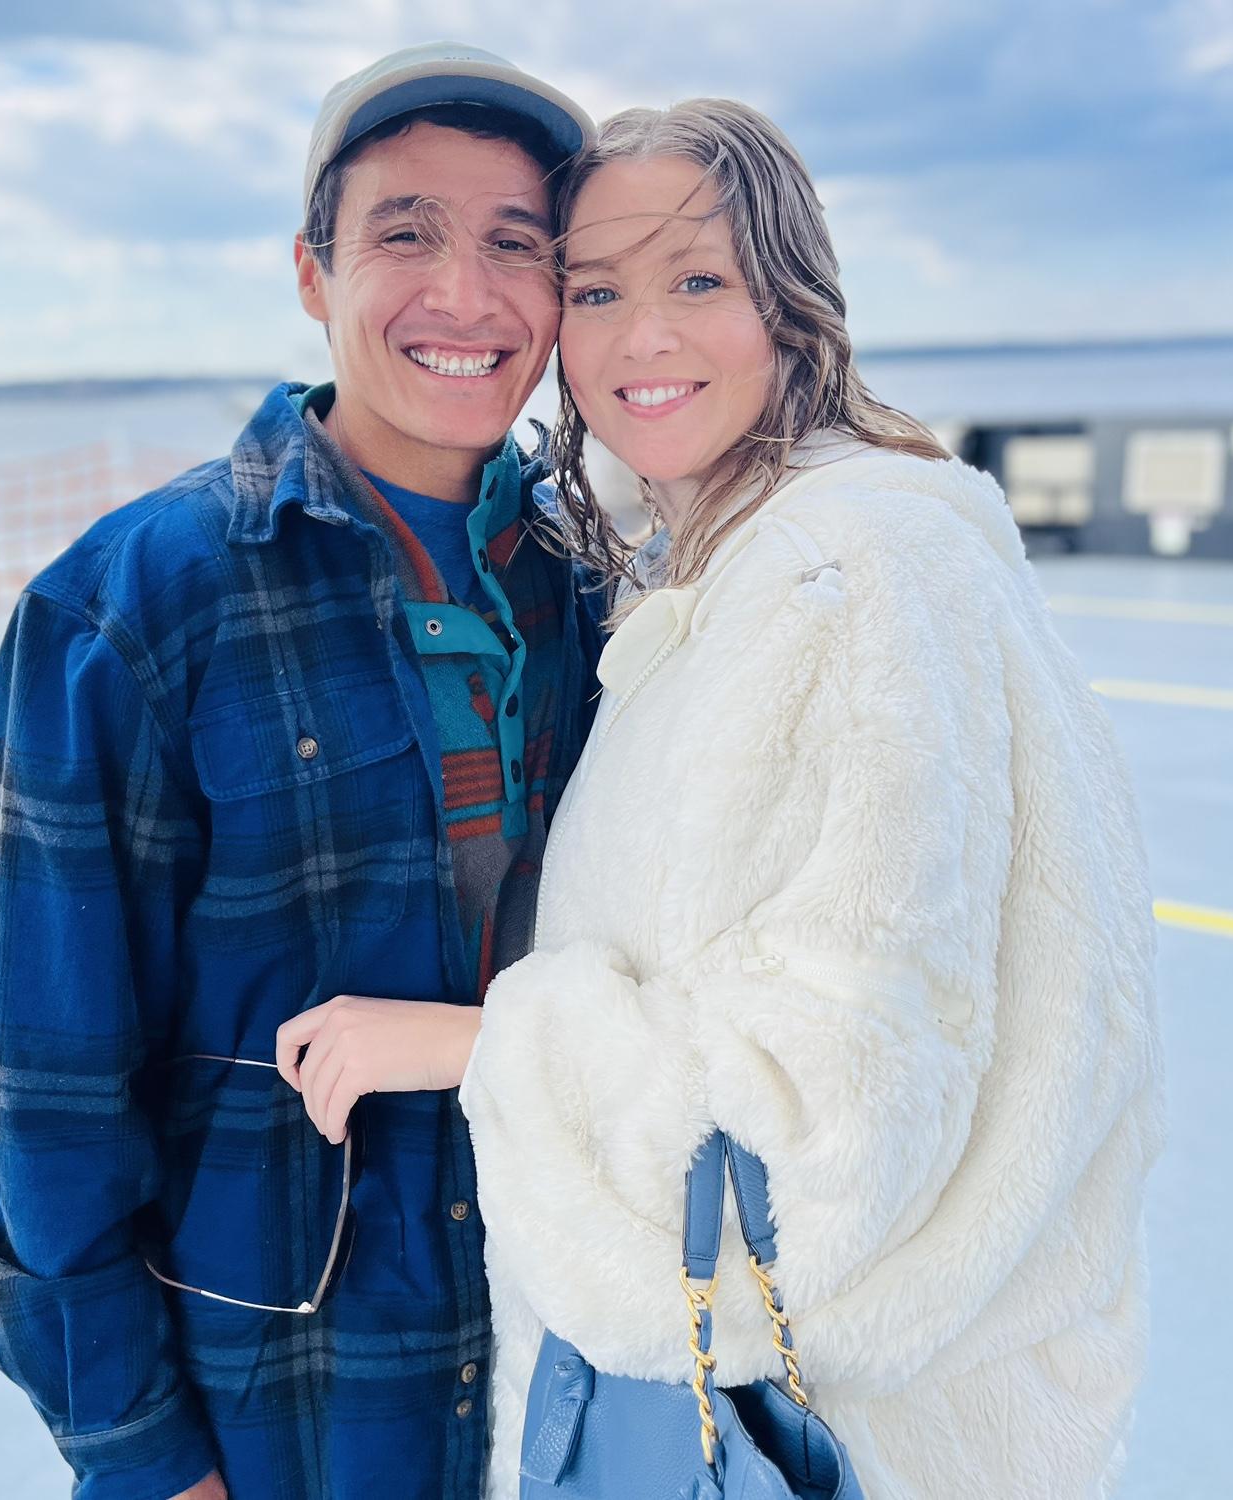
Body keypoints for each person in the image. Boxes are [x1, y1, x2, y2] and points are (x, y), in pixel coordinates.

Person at [448, 101, 1166, 1498]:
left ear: (790, 301)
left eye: (698, 280)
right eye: (596, 290)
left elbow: (832, 1140)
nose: (640, 338)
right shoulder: (738, 555)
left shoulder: (846, 581)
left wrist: (481, 1049)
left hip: (842, 1437)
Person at [0, 43, 599, 1500]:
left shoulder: (592, 586)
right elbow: (34, 1102)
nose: (466, 296)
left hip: (560, 1369)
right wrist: (142, 1455)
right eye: (405, 234)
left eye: (519, 246)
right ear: (312, 272)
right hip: (288, 1416)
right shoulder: (133, 607)